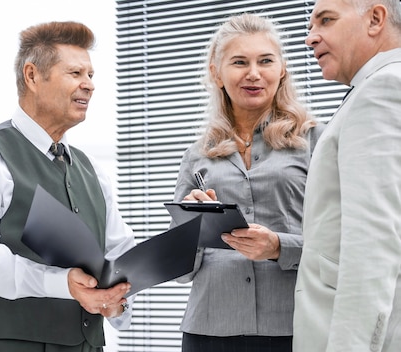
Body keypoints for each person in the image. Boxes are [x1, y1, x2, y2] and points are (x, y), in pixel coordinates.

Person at [0, 21, 136, 352]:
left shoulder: (92, 171)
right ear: (32, 76)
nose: (89, 85)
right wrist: (61, 284)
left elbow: (119, 255)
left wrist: (117, 303)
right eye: (75, 73)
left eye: (91, 75)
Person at [171, 13, 324, 351]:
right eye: (239, 62)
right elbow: (179, 269)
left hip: (292, 327)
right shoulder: (197, 154)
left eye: (265, 61)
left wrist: (280, 247)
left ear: (281, 69)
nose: (254, 73)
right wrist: (192, 228)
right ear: (216, 72)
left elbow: (341, 241)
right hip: (208, 330)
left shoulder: (317, 141)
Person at [293, 0, 401, 351]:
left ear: (375, 19)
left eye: (326, 20)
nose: (311, 38)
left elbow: (372, 243)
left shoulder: (381, 92)